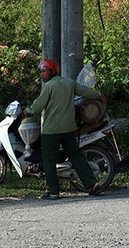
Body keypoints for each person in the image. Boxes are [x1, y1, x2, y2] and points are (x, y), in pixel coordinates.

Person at [23, 58, 105, 200]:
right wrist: (99, 96)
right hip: (68, 129)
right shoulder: (69, 83)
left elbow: (37, 107)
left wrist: (28, 111)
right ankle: (92, 185)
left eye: (44, 72)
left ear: (53, 71)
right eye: (41, 72)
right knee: (76, 155)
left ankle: (54, 191)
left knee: (48, 160)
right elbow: (86, 92)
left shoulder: (49, 87)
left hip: (51, 131)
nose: (42, 75)